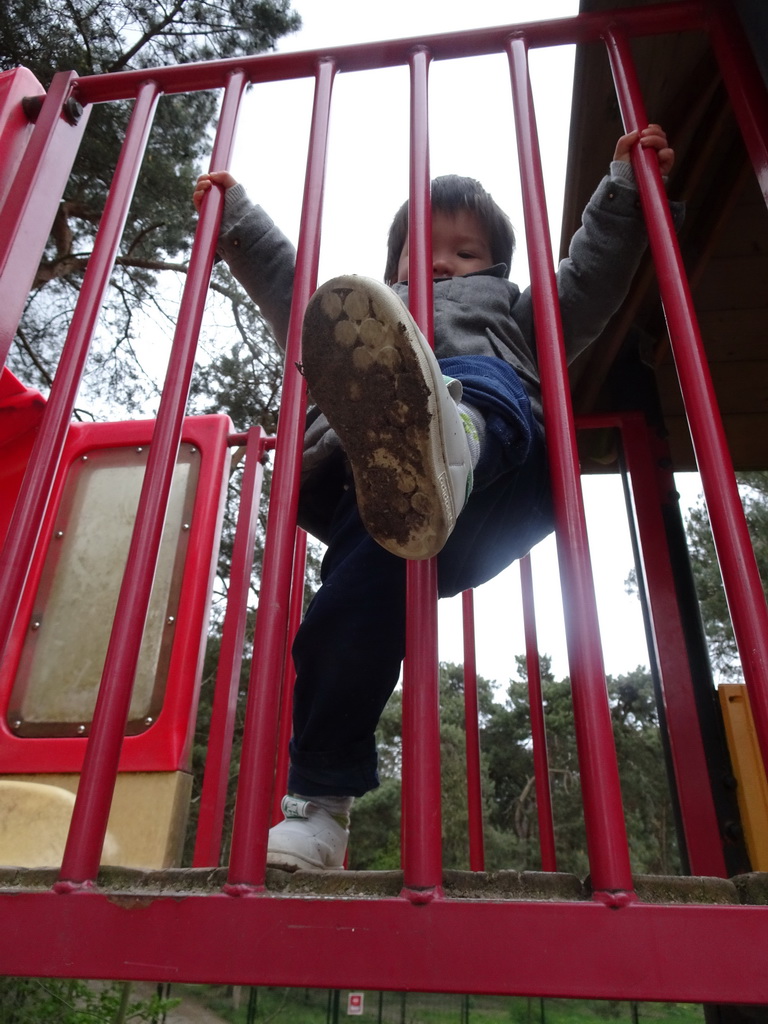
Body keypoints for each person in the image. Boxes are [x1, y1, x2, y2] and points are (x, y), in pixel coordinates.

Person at [193, 125, 677, 872]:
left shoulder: (510, 317)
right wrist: (239, 225)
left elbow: (588, 280)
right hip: (380, 503)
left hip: (499, 488)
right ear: (393, 269)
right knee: (342, 620)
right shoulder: (368, 324)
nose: (444, 263)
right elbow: (297, 299)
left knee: (484, 384)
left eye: (468, 253)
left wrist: (620, 193)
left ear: (497, 270)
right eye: (423, 253)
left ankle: (456, 439)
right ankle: (320, 809)